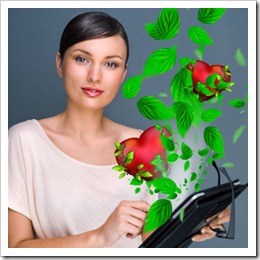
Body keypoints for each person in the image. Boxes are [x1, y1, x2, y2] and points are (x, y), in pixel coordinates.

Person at [8, 11, 230, 248]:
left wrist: (191, 227)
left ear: (123, 74)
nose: (94, 76)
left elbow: (153, 246)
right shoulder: (24, 141)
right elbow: (14, 248)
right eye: (82, 59)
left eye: (110, 64)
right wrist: (100, 236)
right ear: (59, 63)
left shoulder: (144, 143)